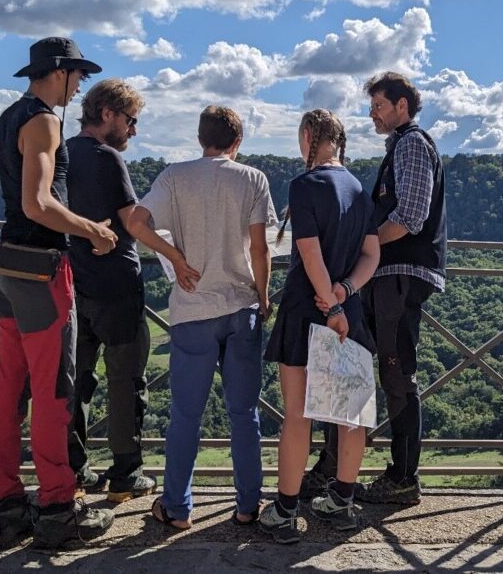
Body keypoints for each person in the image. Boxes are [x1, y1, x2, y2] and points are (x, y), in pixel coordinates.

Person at [0, 37, 117, 548]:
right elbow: (38, 203)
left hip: (8, 265)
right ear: (58, 72)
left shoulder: (8, 116)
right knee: (53, 392)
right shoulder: (44, 120)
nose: (80, 83)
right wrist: (92, 231)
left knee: (9, 387)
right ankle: (60, 507)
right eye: (77, 73)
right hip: (42, 269)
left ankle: (7, 506)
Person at [125, 105, 275, 531]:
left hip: (192, 311)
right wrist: (262, 296)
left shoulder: (175, 176)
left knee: (185, 415)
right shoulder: (252, 179)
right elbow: (260, 249)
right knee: (244, 413)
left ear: (199, 138)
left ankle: (177, 508)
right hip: (240, 306)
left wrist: (174, 255)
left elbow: (136, 222)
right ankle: (248, 506)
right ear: (237, 141)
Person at [305, 73, 446, 506]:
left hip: (399, 275)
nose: (373, 113)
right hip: (391, 277)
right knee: (368, 369)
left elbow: (411, 216)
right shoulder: (402, 146)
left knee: (396, 375)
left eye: (379, 105)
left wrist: (363, 245)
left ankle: (402, 478)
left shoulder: (412, 144)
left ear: (402, 106)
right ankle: (337, 469)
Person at [65, 78, 198, 503]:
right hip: (116, 284)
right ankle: (126, 470)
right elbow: (132, 223)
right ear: (107, 114)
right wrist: (175, 254)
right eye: (131, 120)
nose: (133, 131)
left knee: (75, 379)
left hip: (73, 281)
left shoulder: (63, 152)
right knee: (125, 381)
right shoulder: (107, 158)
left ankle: (74, 469)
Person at [257, 109, 380, 544]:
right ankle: (342, 503)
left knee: (297, 415)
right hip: (350, 309)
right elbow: (371, 255)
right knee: (350, 413)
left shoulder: (305, 185)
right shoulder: (359, 189)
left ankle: (287, 511)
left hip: (308, 310)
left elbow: (308, 255)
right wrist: (346, 292)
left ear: (308, 135)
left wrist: (329, 307)